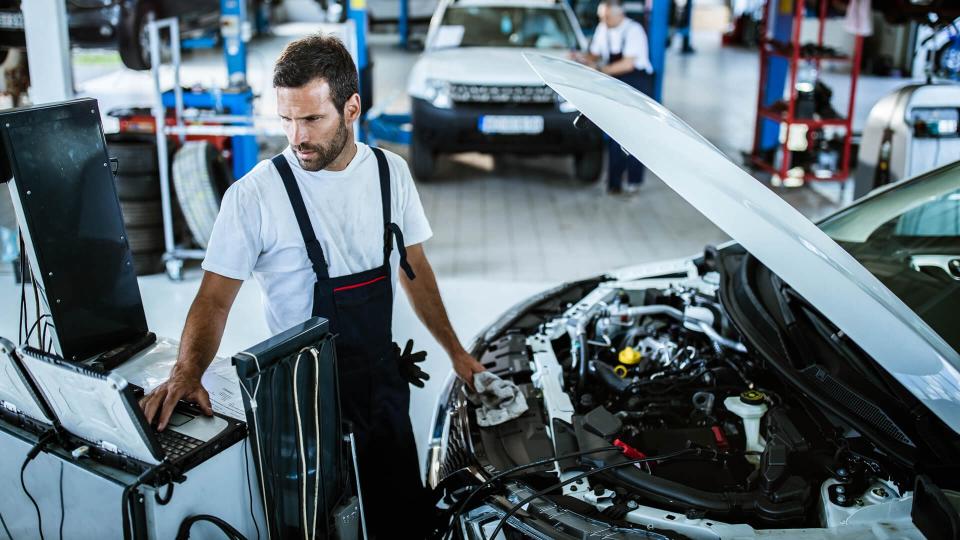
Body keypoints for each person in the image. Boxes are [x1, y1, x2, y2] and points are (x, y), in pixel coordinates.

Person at [139, 34, 486, 537]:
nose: (296, 137)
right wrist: (185, 371)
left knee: (401, 517)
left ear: (351, 109)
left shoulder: (392, 175)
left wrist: (455, 350)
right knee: (320, 525)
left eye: (311, 119)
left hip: (381, 386)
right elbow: (214, 298)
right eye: (286, 120)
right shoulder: (256, 195)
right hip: (303, 406)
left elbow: (415, 267)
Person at [572, 0, 654, 195]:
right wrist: (581, 58)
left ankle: (634, 180)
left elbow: (628, 64)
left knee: (635, 134)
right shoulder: (603, 28)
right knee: (616, 132)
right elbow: (595, 53)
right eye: (602, 17)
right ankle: (614, 183)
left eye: (607, 17)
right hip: (616, 83)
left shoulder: (634, 31)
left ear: (619, 15)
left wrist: (600, 69)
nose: (604, 20)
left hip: (637, 84)